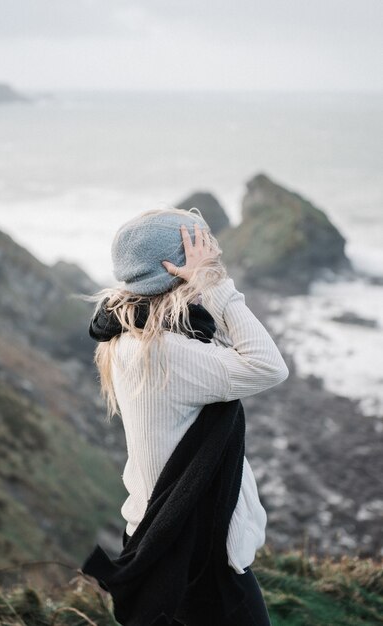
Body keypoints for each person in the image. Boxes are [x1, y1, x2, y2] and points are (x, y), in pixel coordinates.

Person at [82, 207, 289, 625]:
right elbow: (269, 366)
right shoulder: (167, 352)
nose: (215, 263)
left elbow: (223, 349)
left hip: (159, 531)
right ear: (174, 269)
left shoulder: (127, 333)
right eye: (204, 258)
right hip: (196, 552)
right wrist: (215, 285)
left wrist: (202, 283)